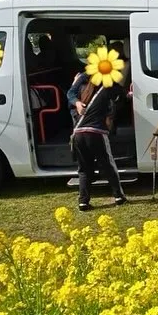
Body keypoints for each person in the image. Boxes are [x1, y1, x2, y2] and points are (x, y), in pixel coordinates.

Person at [67, 71, 128, 211]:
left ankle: (83, 202)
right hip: (96, 133)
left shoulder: (78, 95)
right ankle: (118, 196)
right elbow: (121, 96)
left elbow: (70, 93)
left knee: (84, 170)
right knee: (108, 165)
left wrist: (76, 99)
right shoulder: (107, 87)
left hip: (78, 134)